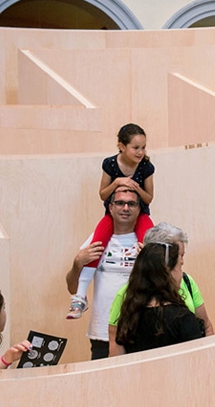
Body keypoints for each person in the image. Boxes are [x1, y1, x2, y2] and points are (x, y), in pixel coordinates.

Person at [66, 123, 155, 319]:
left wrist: (134, 187)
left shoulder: (146, 167)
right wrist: (117, 183)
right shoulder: (110, 164)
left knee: (150, 247)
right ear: (121, 146)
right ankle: (80, 297)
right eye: (136, 148)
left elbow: (148, 198)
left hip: (142, 216)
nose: (141, 152)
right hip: (108, 215)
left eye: (143, 147)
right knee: (95, 247)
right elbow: (103, 194)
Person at [65, 187, 142, 360]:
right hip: (102, 333)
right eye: (120, 203)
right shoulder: (97, 238)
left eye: (131, 204)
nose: (125, 208)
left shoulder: (147, 241)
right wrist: (77, 263)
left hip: (140, 330)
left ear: (139, 209)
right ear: (111, 207)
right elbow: (72, 288)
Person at [108, 242, 203, 356]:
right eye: (180, 267)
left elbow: (117, 362)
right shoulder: (183, 318)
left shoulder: (129, 316)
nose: (182, 274)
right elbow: (198, 362)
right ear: (168, 273)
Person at [141, 222, 214, 336]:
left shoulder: (187, 281)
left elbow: (207, 326)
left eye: (182, 255)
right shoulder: (129, 292)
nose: (182, 261)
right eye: (179, 256)